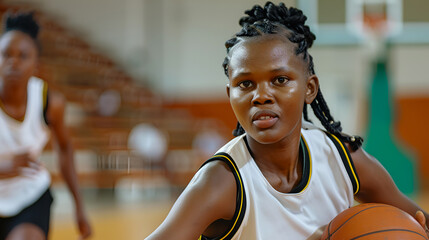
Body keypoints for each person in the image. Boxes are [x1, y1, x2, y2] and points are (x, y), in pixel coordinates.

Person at [146, 2, 429, 240]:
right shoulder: (223, 181)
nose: (261, 96)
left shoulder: (341, 158)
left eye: (279, 80)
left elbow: (418, 219)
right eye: (245, 84)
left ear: (310, 88)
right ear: (229, 94)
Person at [0, 12, 91, 240]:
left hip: (29, 198)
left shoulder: (50, 101)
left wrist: (79, 206)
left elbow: (65, 147)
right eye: (5, 54)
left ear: (36, 64)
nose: (13, 62)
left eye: (23, 56)